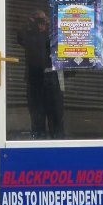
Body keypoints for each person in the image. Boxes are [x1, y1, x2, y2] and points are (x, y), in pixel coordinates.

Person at [16, 9, 65, 139]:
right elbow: (19, 37)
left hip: (52, 77)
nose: (40, 24)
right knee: (37, 115)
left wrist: (50, 25)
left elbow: (64, 38)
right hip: (34, 78)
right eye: (37, 20)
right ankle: (39, 139)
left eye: (43, 21)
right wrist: (28, 24)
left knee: (55, 114)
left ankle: (58, 140)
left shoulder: (53, 35)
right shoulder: (28, 36)